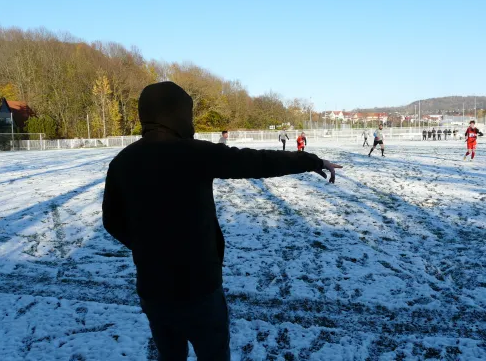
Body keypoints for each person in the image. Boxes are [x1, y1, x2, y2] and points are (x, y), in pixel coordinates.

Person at [102, 82, 342, 361]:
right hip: (199, 288)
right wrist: (312, 161)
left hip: (153, 290)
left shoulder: (123, 161)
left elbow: (112, 221)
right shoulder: (195, 153)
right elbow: (258, 162)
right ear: (179, 114)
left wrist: (147, 246)